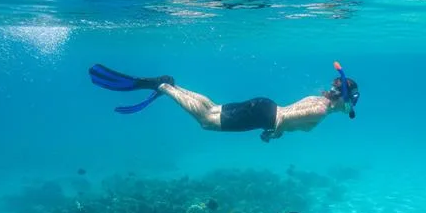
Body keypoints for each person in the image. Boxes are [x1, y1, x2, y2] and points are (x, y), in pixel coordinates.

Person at [88, 62, 359, 142]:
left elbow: (289, 114)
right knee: (206, 121)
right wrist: (273, 133)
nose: (348, 110)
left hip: (264, 106)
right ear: (345, 101)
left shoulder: (318, 100)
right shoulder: (323, 109)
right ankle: (164, 87)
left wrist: (277, 131)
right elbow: (285, 119)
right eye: (350, 105)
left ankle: (173, 84)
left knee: (212, 108)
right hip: (263, 116)